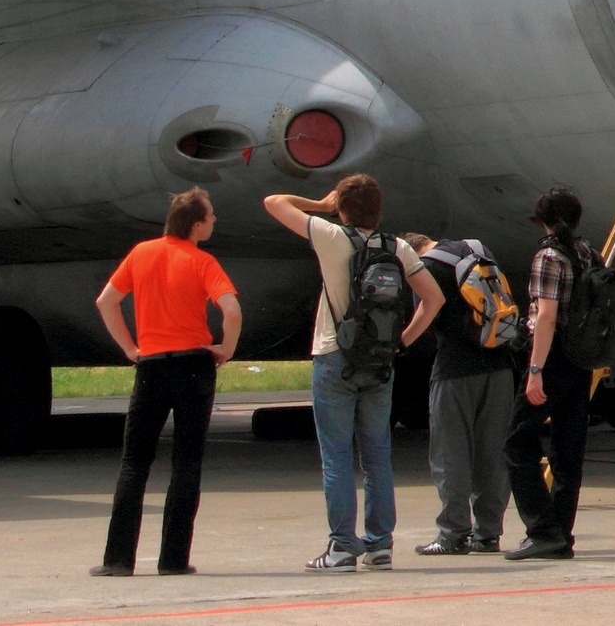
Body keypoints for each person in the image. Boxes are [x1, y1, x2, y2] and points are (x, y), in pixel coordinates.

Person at [264, 177, 443, 572]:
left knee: (338, 457)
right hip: (380, 363)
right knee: (378, 455)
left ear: (343, 208)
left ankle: (343, 546)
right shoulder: (395, 246)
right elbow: (434, 298)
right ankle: (380, 545)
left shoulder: (329, 235)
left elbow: (274, 201)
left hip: (335, 356)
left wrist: (321, 203)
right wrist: (403, 342)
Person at [90, 190, 240, 577]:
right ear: (195, 224)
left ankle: (118, 559)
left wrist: (129, 347)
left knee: (134, 463)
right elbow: (232, 310)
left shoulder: (141, 253)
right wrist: (226, 348)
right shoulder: (203, 261)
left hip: (152, 363)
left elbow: (106, 302)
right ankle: (173, 559)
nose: (215, 221)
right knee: (187, 462)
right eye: (210, 216)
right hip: (194, 364)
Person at [403, 233, 515, 556]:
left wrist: (402, 343)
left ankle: (453, 533)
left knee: (450, 453)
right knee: (493, 454)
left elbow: (427, 321)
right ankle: (489, 533)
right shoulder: (478, 249)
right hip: (500, 365)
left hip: (454, 371)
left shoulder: (423, 267)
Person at [505, 186, 598, 561]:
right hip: (582, 357)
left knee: (515, 442)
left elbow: (545, 316)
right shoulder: (587, 251)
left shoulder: (549, 255)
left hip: (553, 356)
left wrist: (535, 370)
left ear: (542, 220)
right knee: (568, 450)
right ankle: (561, 534)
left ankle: (542, 529)